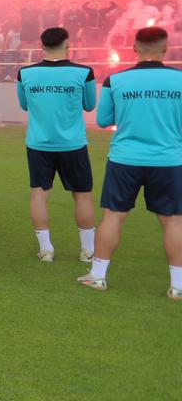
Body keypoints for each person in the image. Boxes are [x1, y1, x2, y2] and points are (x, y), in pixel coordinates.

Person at [78, 27, 182, 298]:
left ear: (134, 48)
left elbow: (103, 121)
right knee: (173, 222)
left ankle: (98, 276)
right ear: (165, 48)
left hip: (125, 159)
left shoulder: (117, 80)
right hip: (170, 160)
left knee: (114, 216)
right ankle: (178, 286)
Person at [17, 26, 98, 263]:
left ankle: (46, 250)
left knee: (39, 195)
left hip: (38, 143)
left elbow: (24, 105)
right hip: (72, 144)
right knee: (82, 196)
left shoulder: (26, 73)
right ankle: (88, 251)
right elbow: (89, 105)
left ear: (42, 46)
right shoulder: (84, 72)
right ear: (68, 43)